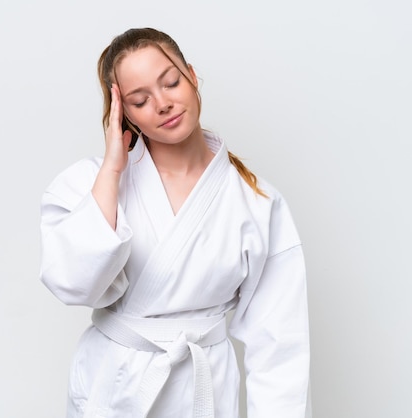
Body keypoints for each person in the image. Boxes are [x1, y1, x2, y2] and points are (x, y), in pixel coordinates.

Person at [39, 27, 310, 418]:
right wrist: (113, 169)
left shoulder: (257, 202)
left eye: (171, 82)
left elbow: (280, 345)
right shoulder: (87, 185)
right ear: (123, 114)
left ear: (192, 77)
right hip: (114, 389)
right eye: (140, 99)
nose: (163, 103)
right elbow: (72, 282)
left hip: (204, 391)